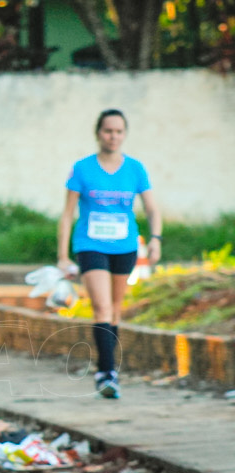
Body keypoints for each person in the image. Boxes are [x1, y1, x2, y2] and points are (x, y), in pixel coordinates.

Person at [57, 109, 162, 399]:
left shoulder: (135, 169)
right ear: (98, 133)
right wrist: (62, 255)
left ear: (124, 134)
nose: (113, 137)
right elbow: (67, 215)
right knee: (101, 307)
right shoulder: (82, 169)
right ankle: (106, 371)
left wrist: (155, 239)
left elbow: (152, 208)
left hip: (125, 247)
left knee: (115, 309)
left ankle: (109, 368)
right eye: (108, 131)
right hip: (90, 245)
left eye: (118, 131)